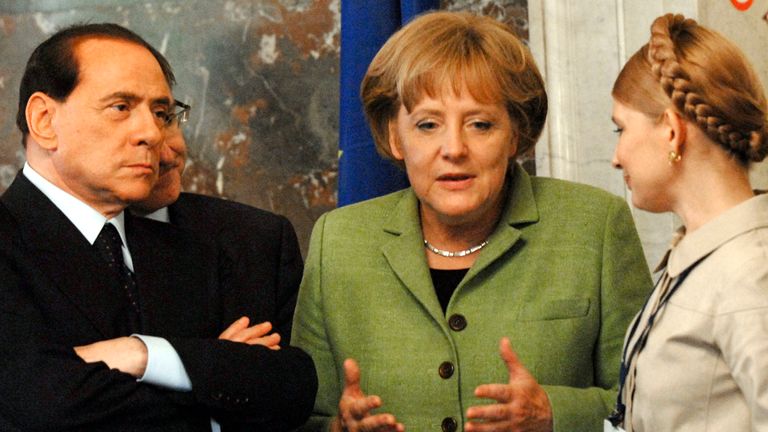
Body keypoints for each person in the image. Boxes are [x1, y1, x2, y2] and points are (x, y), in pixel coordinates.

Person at [292, 11, 651, 432]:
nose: (454, 148)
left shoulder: (595, 226)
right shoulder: (339, 239)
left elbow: (652, 402)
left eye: (480, 124)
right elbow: (299, 416)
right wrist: (338, 427)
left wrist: (554, 413)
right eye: (427, 125)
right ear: (394, 136)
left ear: (515, 133)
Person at [0, 23, 316, 431]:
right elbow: (47, 408)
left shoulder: (216, 243)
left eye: (162, 113)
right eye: (121, 107)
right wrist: (210, 375)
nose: (152, 134)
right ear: (44, 120)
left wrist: (145, 355)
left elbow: (292, 387)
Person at [609, 13, 768, 432]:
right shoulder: (699, 254)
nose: (616, 156)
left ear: (671, 132)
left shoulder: (750, 273)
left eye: (620, 129)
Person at [132, 107, 304, 344]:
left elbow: (295, 374)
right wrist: (217, 364)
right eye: (123, 113)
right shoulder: (68, 249)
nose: (166, 155)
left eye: (164, 117)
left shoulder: (260, 239)